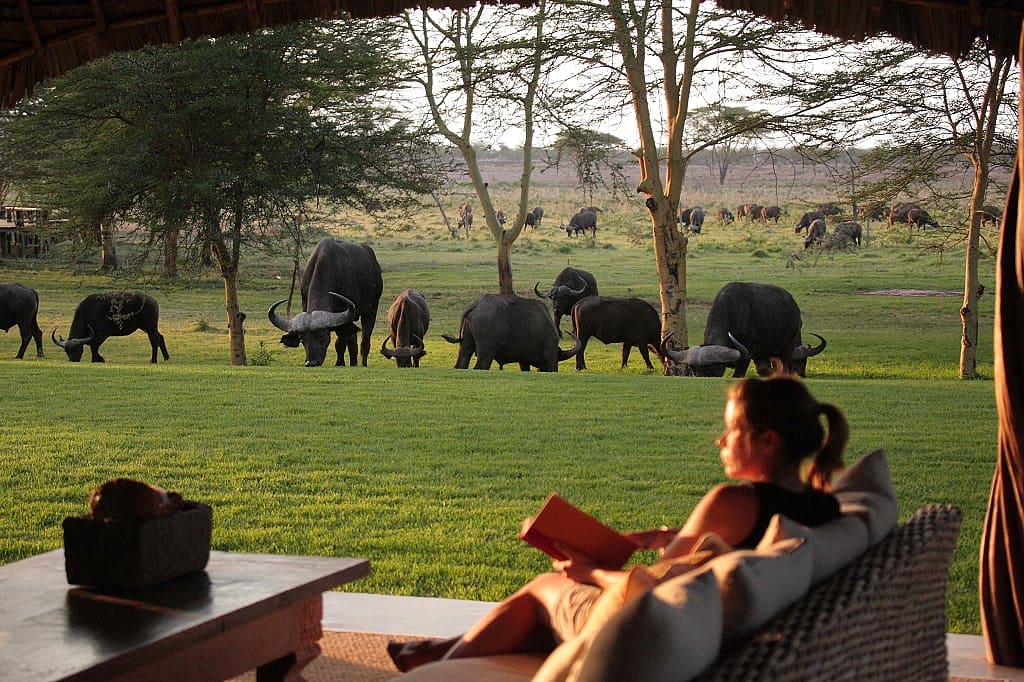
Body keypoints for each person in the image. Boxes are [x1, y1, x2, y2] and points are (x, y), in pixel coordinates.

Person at [388, 375, 849, 672]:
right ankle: (437, 651)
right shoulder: (825, 509)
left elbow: (645, 589)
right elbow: (702, 559)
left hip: (648, 631)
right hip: (708, 627)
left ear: (767, 442)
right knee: (549, 601)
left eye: (731, 430)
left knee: (544, 589)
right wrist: (663, 540)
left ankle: (440, 666)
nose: (720, 440)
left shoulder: (733, 500)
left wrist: (587, 572)